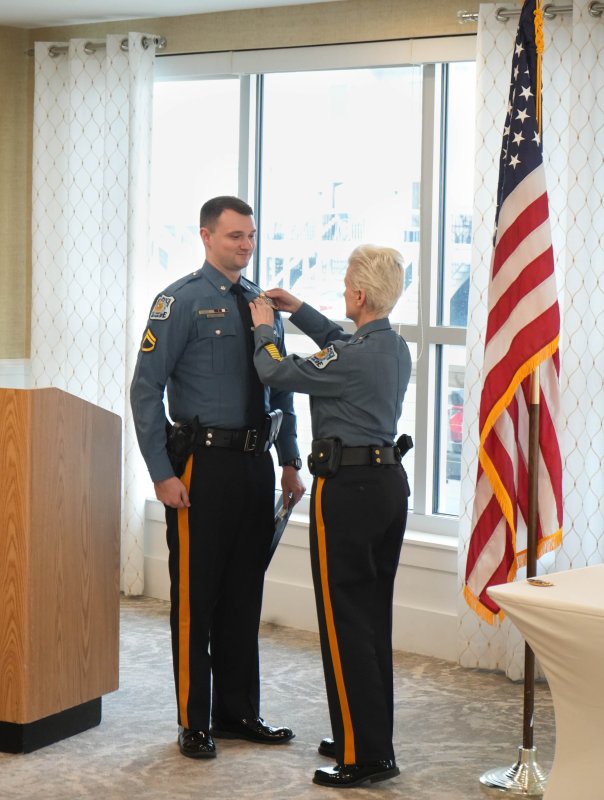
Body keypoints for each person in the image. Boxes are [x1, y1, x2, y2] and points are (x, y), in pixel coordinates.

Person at [130, 196, 305, 760]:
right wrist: (161, 473)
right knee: (196, 597)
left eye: (251, 235)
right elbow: (145, 390)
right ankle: (195, 721)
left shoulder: (262, 305)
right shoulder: (178, 302)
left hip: (255, 466)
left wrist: (289, 460)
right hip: (199, 468)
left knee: (242, 597)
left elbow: (281, 389)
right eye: (234, 236)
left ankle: (238, 713)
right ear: (205, 236)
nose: (246, 245)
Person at [250, 245, 412, 789]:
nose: (343, 291)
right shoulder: (393, 347)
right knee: (371, 618)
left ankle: (364, 756)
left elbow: (274, 368)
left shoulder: (352, 358)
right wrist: (299, 308)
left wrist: (265, 325)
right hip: (389, 486)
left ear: (360, 295)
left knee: (344, 621)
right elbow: (340, 345)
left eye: (346, 286)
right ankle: (364, 733)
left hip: (347, 491)